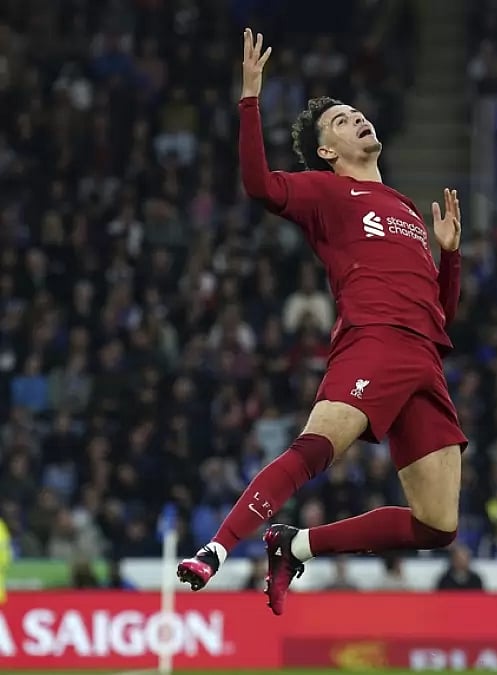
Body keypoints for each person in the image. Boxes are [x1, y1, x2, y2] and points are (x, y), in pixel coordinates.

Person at [177, 30, 467, 616]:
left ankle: (294, 545)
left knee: (438, 525)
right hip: (374, 342)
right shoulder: (329, 194)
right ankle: (217, 549)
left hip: (425, 362)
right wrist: (250, 99)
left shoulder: (408, 209)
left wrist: (451, 257)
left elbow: (443, 315)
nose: (356, 118)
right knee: (316, 448)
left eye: (356, 113)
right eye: (340, 120)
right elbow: (259, 185)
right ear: (328, 151)